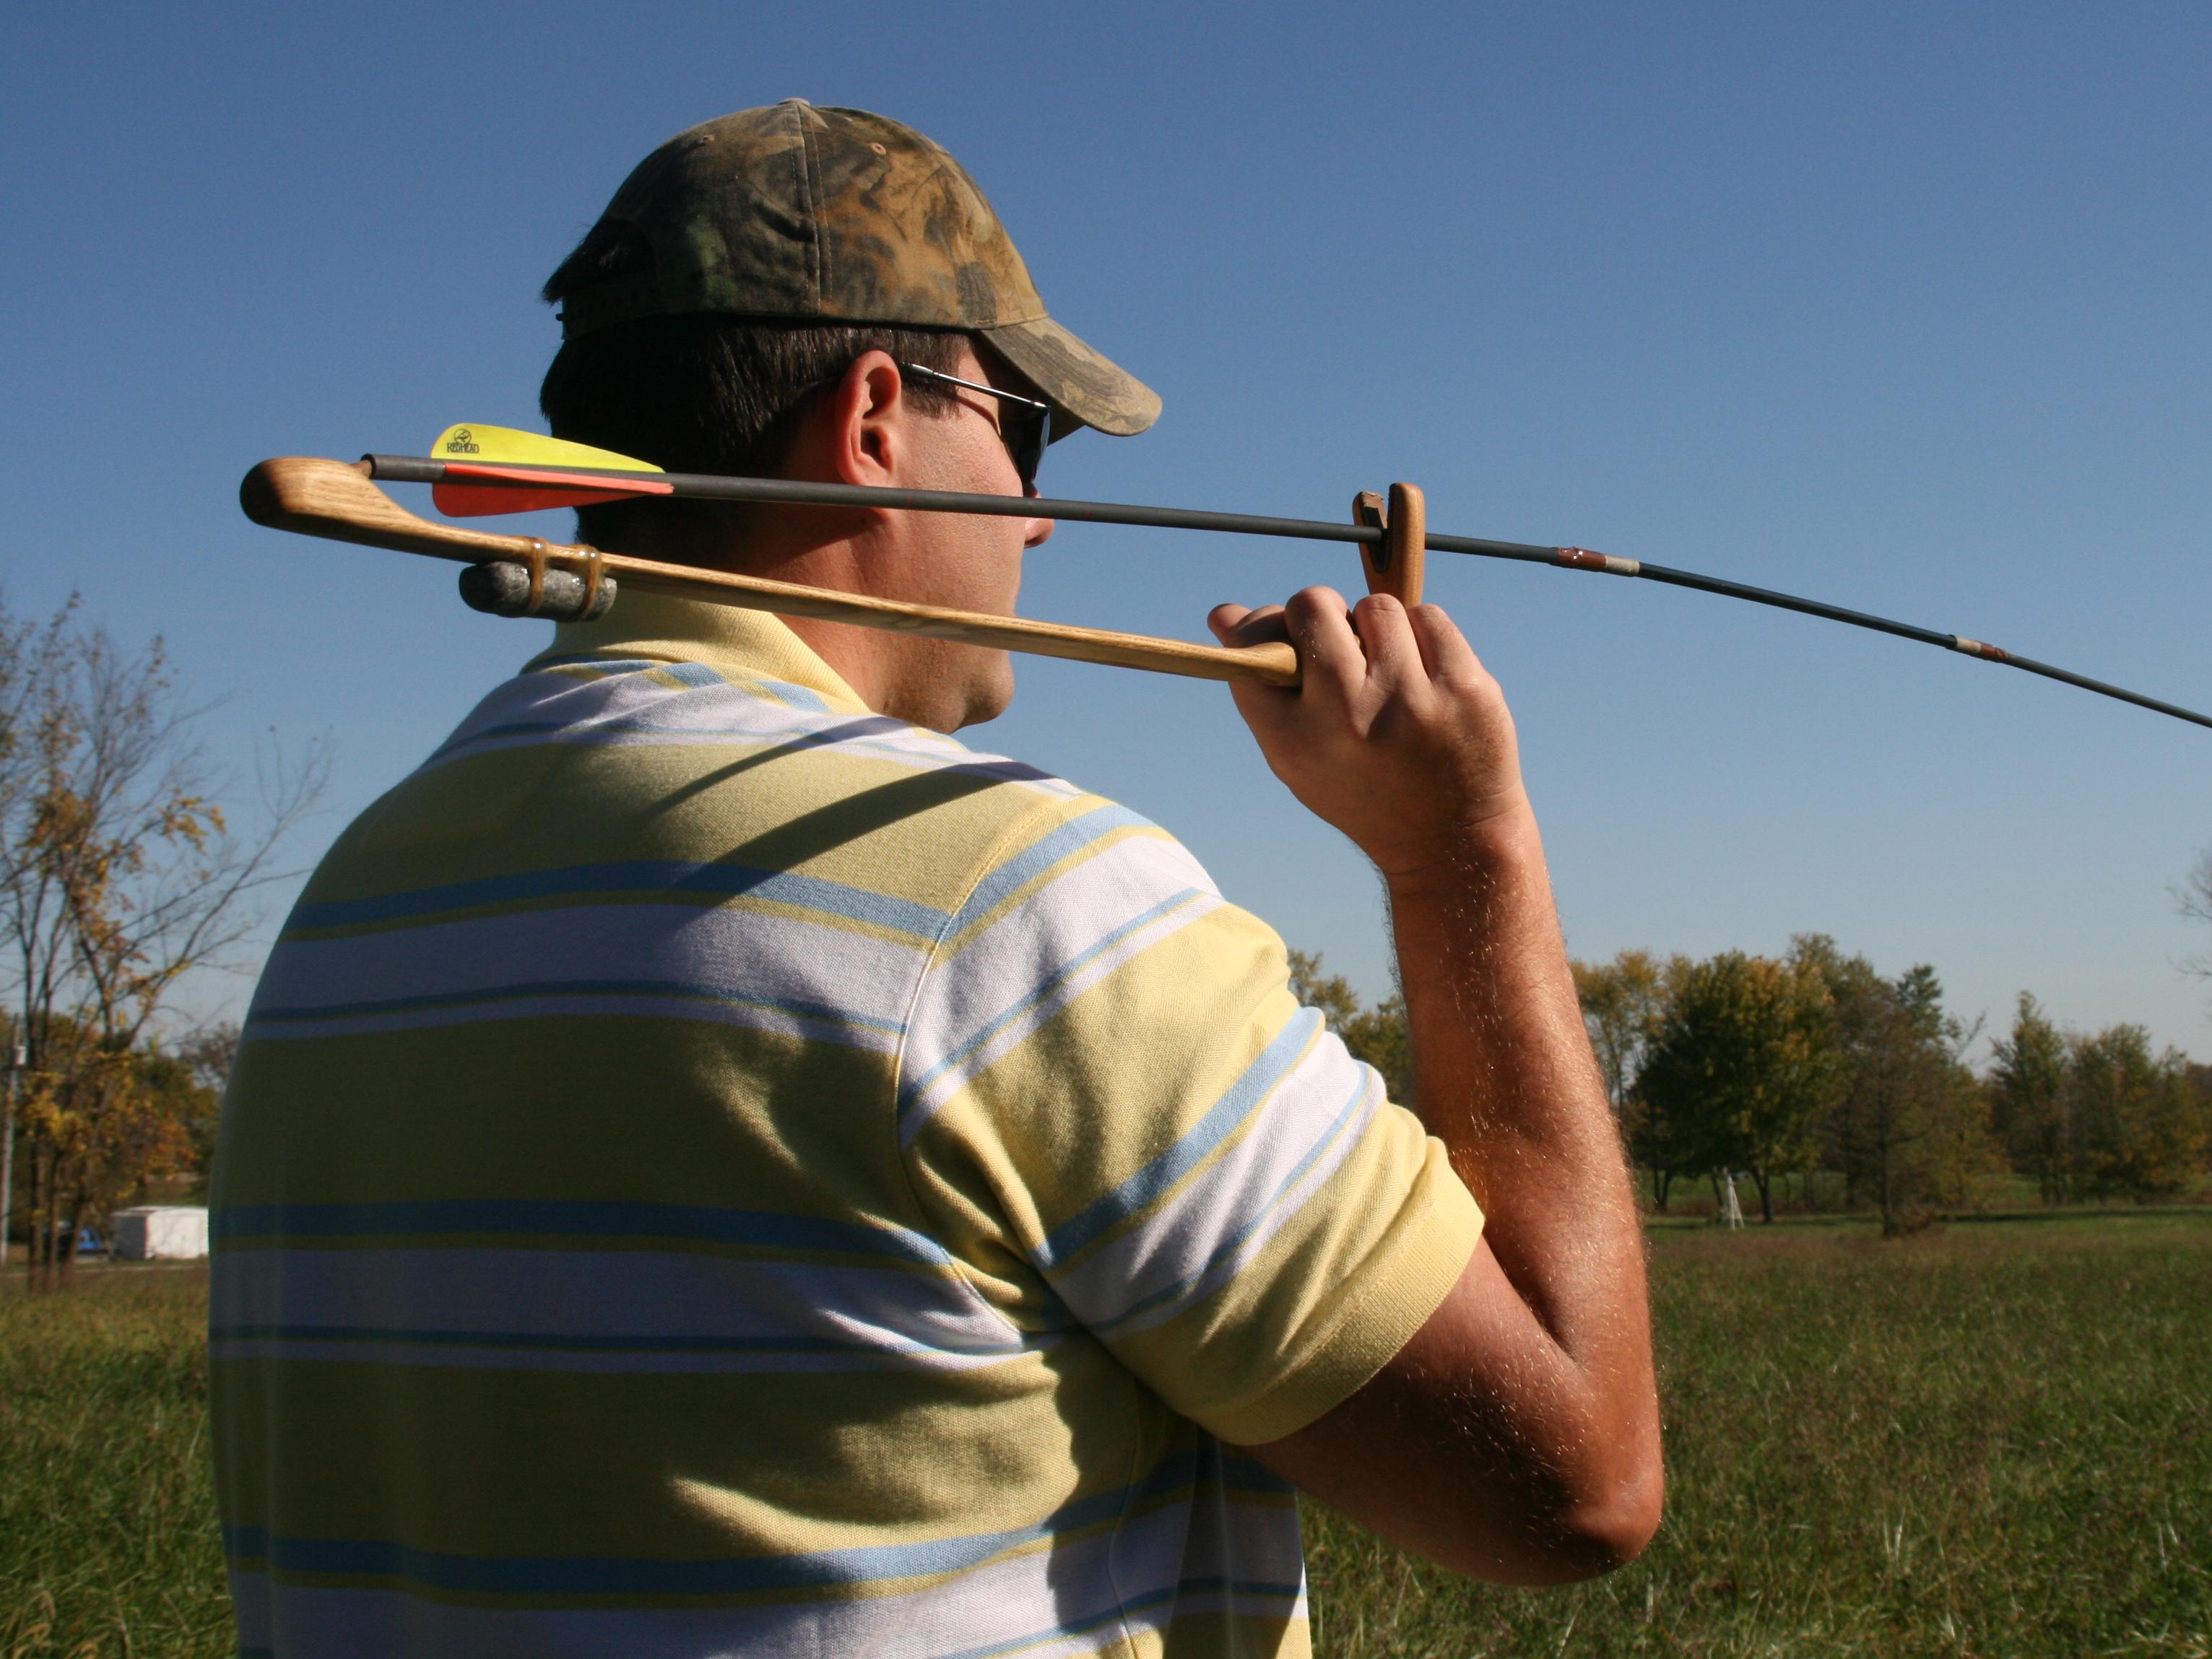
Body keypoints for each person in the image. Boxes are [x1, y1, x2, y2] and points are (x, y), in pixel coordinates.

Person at [211, 100, 1660, 1658]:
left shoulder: (351, 905)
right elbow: (1573, 1479)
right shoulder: (1015, 903)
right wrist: (1460, 857)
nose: (1038, 516)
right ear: (877, 415)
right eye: (1023, 431)